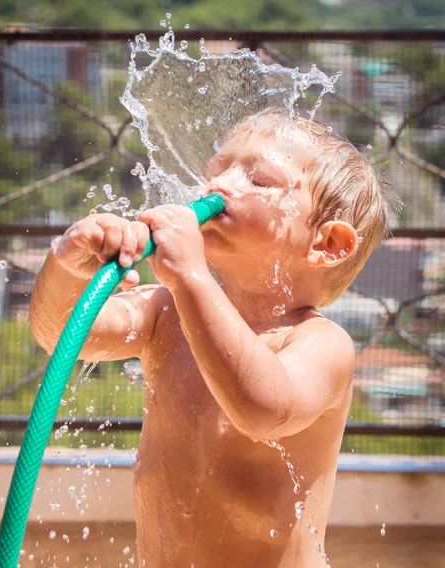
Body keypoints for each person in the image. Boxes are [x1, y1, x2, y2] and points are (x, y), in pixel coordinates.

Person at [29, 107, 401, 567]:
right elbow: (63, 334)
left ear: (326, 244)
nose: (219, 187)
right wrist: (66, 266)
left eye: (259, 181)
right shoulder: (166, 309)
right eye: (217, 170)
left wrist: (191, 276)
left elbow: (263, 409)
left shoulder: (320, 345)